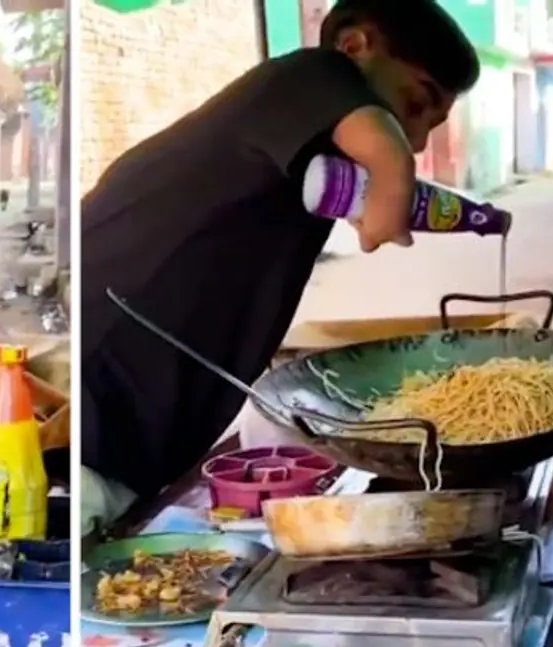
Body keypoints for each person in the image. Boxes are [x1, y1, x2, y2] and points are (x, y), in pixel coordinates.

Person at [79, 0, 480, 532]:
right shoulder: (307, 73)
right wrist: (390, 187)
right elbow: (387, 155)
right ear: (354, 48)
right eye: (412, 104)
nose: (417, 140)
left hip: (140, 438)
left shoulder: (304, 159)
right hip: (101, 412)